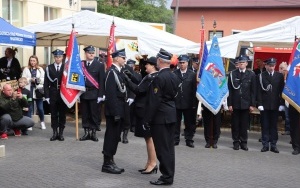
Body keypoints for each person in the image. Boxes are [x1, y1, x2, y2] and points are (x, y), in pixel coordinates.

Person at [144, 48, 179, 185]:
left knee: (162, 148)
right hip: (171, 114)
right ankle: (169, 175)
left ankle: (166, 176)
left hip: (160, 117)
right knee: (169, 148)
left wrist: (147, 119)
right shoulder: (173, 75)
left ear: (159, 61)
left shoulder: (159, 77)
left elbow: (154, 100)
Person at [124, 56, 158, 174]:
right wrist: (132, 76)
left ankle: (153, 163)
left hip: (145, 110)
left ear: (153, 66)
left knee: (149, 138)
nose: (145, 66)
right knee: (147, 138)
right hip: (142, 110)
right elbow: (140, 83)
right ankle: (149, 162)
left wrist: (127, 81)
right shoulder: (149, 77)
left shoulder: (152, 77)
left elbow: (139, 90)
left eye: (147, 64)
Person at [102, 49, 127, 174]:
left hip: (120, 109)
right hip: (114, 111)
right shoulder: (111, 72)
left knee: (115, 137)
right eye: (123, 57)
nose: (124, 60)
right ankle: (107, 163)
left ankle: (111, 160)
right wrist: (115, 112)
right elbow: (111, 94)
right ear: (116, 58)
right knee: (111, 137)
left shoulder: (118, 72)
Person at [227, 55, 256, 151]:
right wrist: (229, 104)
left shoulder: (251, 74)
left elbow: (253, 91)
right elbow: (230, 90)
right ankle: (235, 142)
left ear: (247, 63)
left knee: (244, 125)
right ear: (237, 64)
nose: (241, 64)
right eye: (240, 62)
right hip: (235, 103)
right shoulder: (232, 74)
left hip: (245, 104)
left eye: (243, 62)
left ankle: (244, 142)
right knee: (235, 125)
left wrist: (252, 104)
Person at [257, 58, 284, 153]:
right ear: (266, 66)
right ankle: (265, 144)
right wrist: (259, 104)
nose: (272, 67)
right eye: (270, 66)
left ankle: (273, 145)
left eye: (273, 66)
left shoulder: (279, 76)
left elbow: (281, 91)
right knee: (265, 125)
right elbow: (259, 92)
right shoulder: (261, 76)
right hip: (264, 105)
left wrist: (282, 104)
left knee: (273, 126)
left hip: (275, 105)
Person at [79, 45, 105, 142]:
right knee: (85, 114)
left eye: (92, 53)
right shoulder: (81, 64)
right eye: (89, 53)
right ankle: (86, 132)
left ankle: (93, 133)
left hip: (94, 93)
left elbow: (102, 81)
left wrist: (101, 95)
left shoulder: (99, 65)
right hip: (84, 93)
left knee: (94, 114)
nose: (91, 54)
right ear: (85, 54)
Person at [173, 54, 197, 148]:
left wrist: (194, 103)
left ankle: (189, 139)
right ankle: (175, 139)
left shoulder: (192, 74)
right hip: (177, 102)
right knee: (176, 123)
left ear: (187, 63)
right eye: (180, 62)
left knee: (189, 123)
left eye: (184, 62)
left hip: (188, 103)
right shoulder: (174, 73)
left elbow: (194, 89)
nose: (182, 64)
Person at [44, 49, 68, 141]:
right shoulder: (49, 68)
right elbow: (46, 83)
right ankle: (54, 132)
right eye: (56, 57)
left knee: (62, 114)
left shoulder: (66, 68)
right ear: (54, 57)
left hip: (63, 93)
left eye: (60, 57)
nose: (58, 59)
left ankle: (61, 133)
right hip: (53, 93)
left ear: (62, 57)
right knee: (53, 114)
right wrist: (47, 96)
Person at [21, 55, 46, 130]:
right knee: (29, 107)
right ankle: (29, 124)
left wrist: (37, 80)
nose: (32, 62)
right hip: (29, 89)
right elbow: (23, 78)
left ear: (36, 61)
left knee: (40, 108)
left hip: (38, 90)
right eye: (31, 60)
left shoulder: (40, 69)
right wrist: (30, 79)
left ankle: (42, 122)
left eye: (34, 61)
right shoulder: (26, 69)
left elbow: (44, 79)